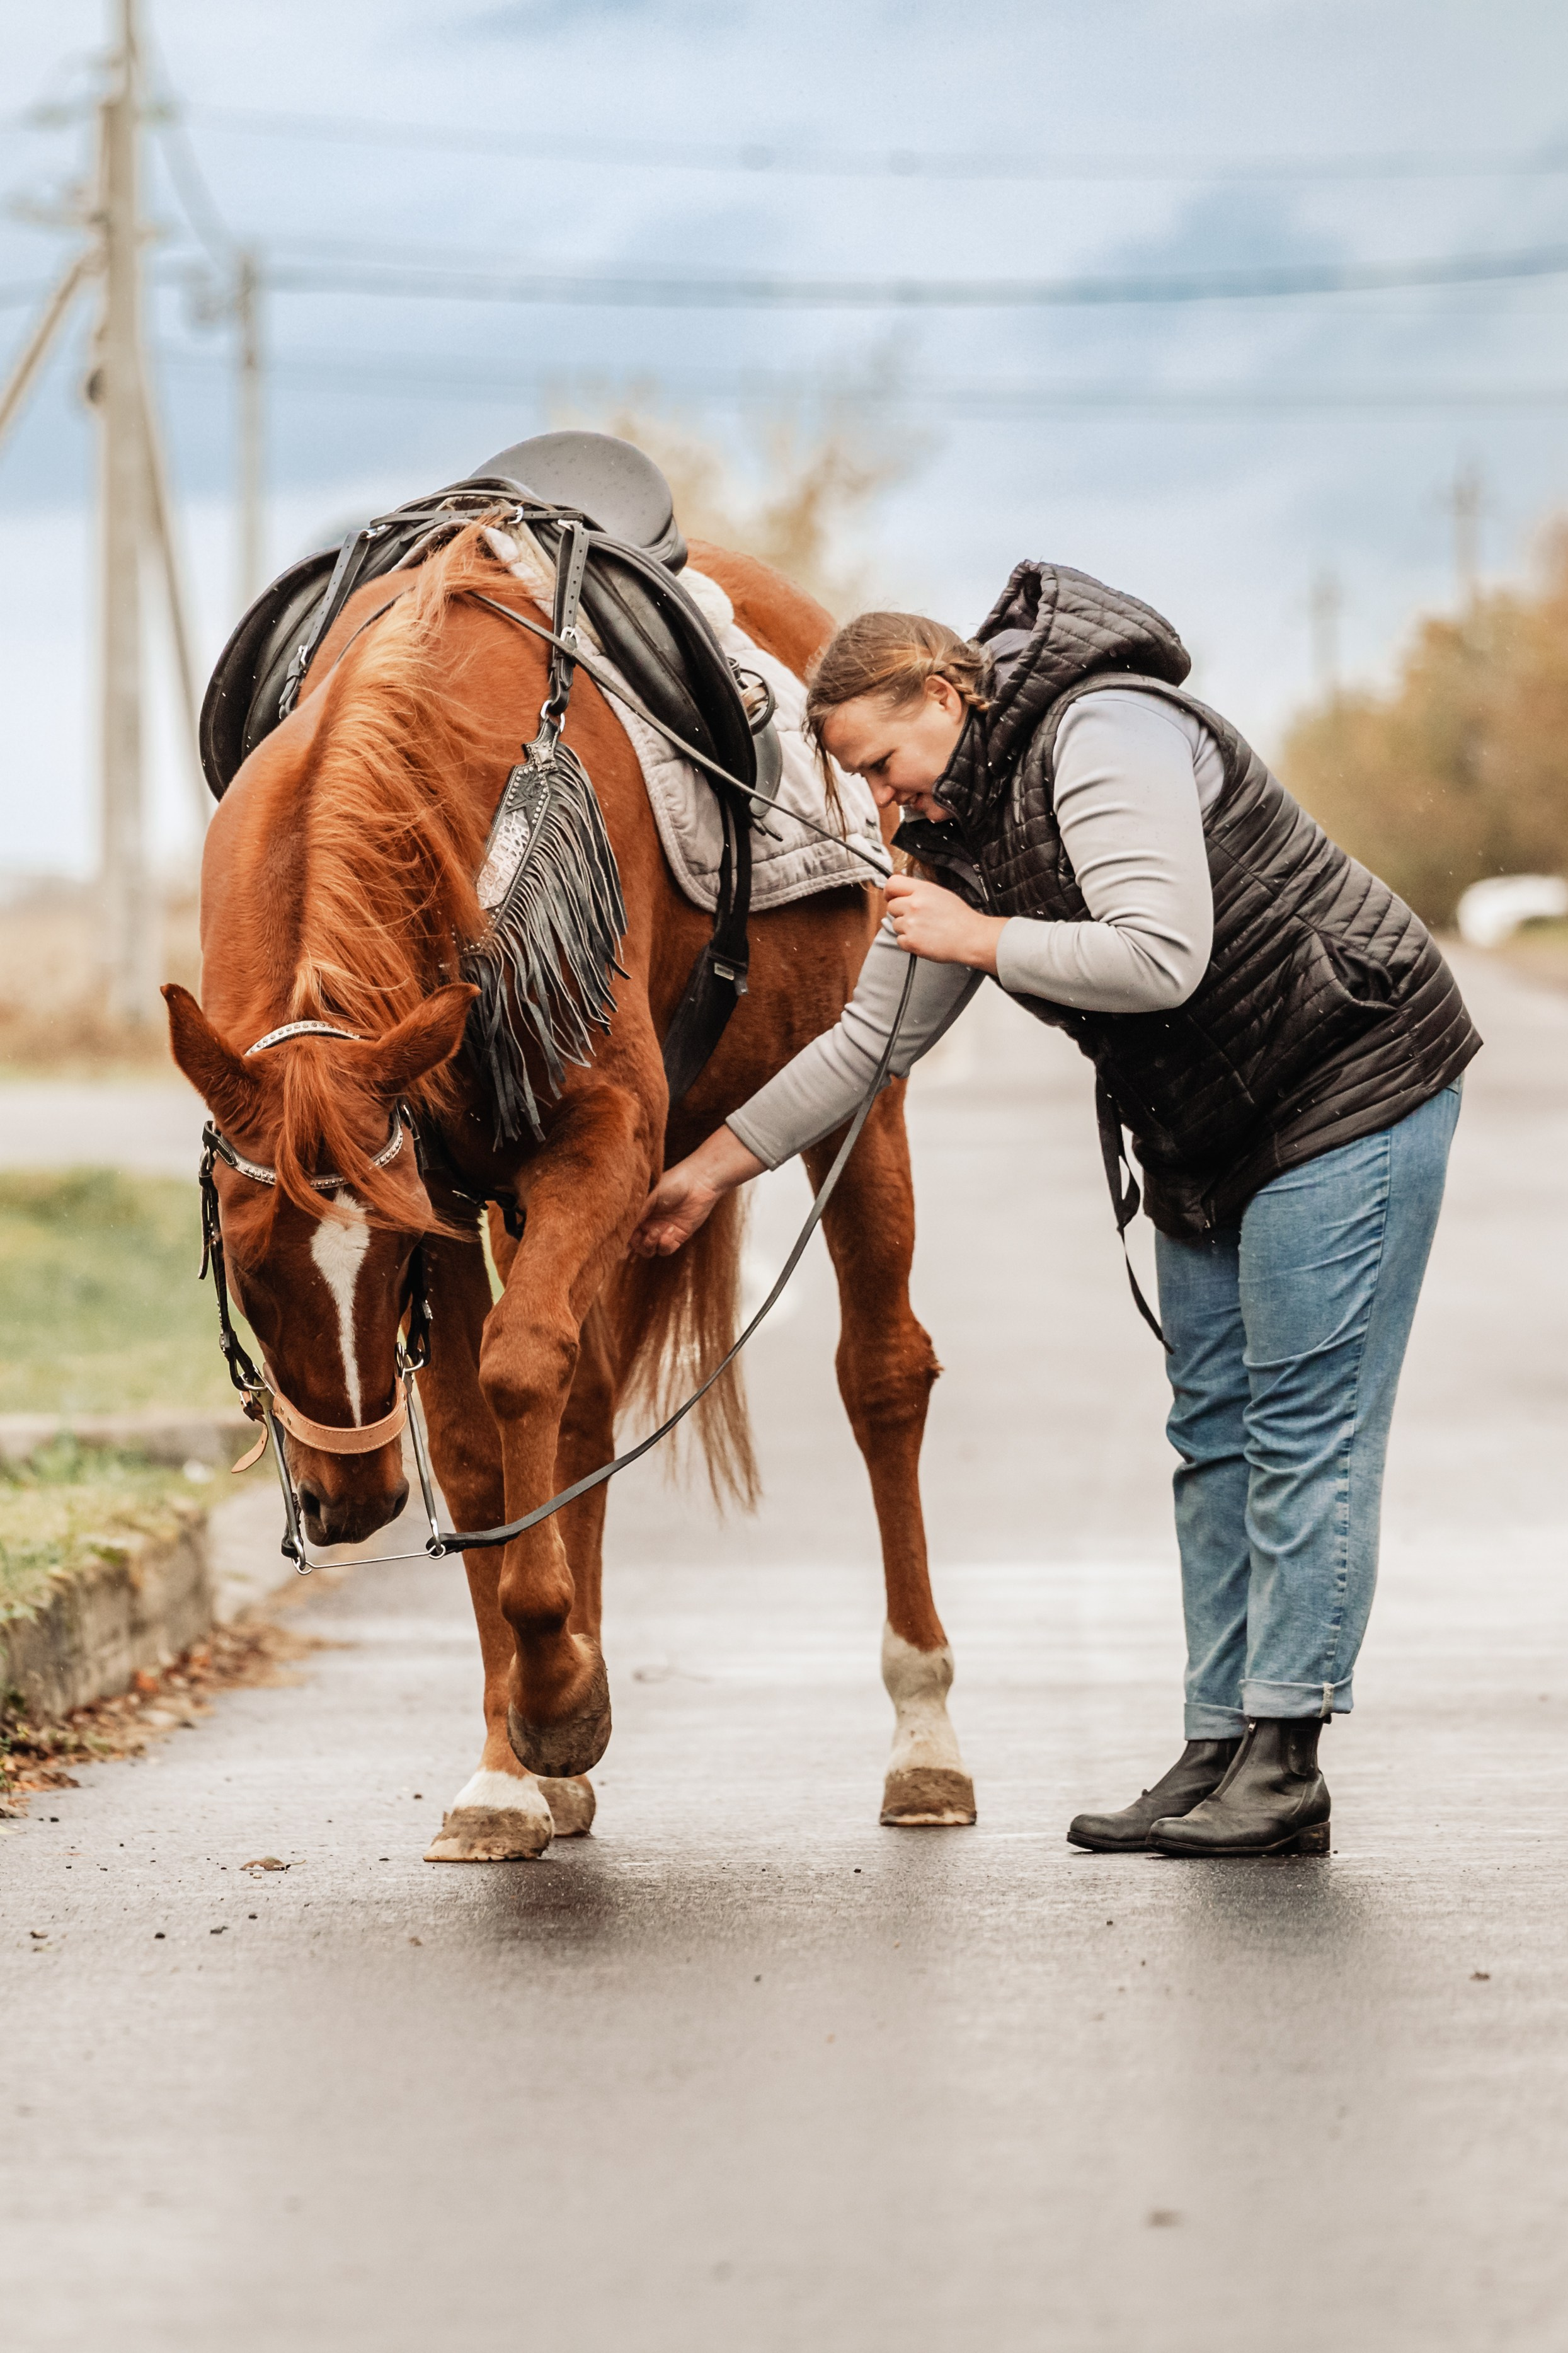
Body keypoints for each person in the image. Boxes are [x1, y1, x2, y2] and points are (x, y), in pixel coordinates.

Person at [631, 561, 1479, 1858]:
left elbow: (1160, 951)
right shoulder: (953, 835)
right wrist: (705, 1173)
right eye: (859, 778)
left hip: (1348, 1079)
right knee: (1213, 1431)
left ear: (944, 688)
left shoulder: (1103, 731)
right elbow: (867, 1046)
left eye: (888, 759)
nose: (882, 798)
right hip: (1208, 1130)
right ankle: (1217, 1743)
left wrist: (979, 937)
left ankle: (1288, 1758)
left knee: (1304, 1427)